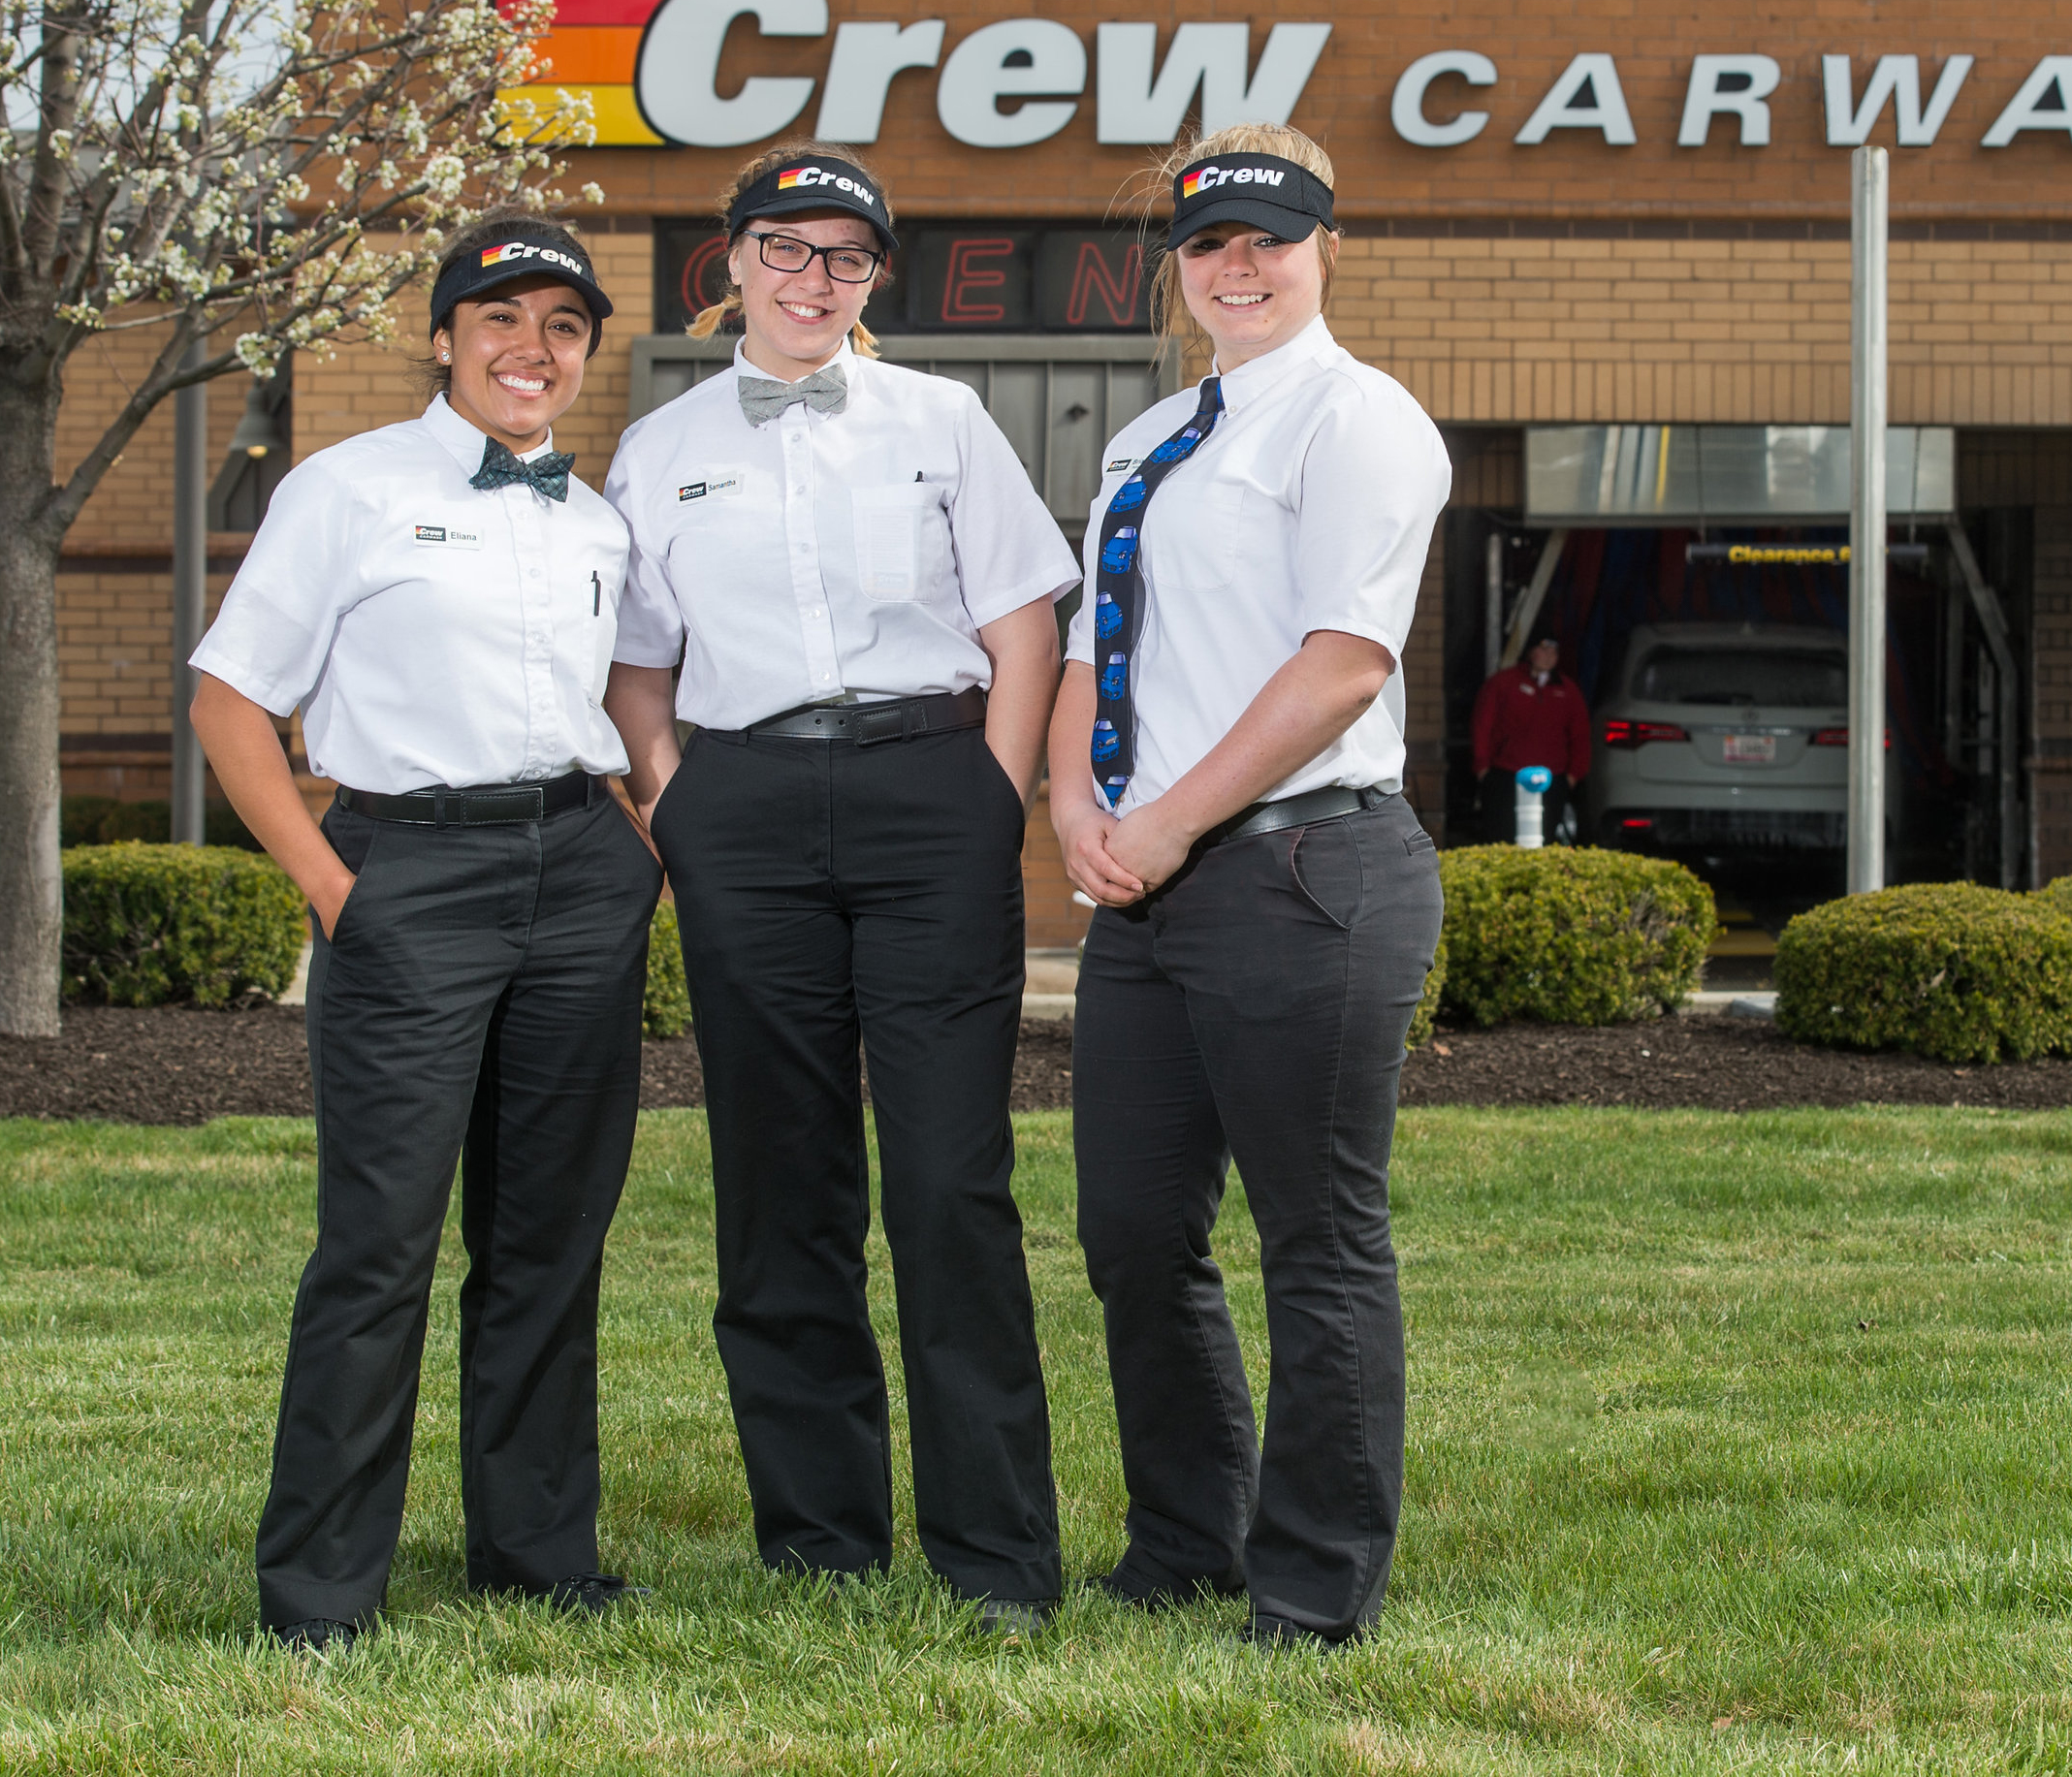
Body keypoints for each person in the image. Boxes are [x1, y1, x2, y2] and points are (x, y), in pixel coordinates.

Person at [601, 142, 1075, 1629]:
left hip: (927, 787)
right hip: (738, 808)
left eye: (847, 257)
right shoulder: (659, 446)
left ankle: (993, 1555)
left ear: (874, 277)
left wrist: (992, 795)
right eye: (787, 250)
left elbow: (1021, 625)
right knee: (779, 1180)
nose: (816, 279)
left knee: (948, 1180)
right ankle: (818, 1538)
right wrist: (683, 811)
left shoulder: (942, 421)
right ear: (730, 263)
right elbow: (639, 671)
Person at [188, 212, 660, 1649]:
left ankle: (536, 1552)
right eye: (503, 320)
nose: (533, 350)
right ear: (444, 335)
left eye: (563, 328)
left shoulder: (597, 521)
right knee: (378, 1243)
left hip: (578, 875)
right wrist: (336, 891)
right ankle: (322, 1589)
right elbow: (229, 703)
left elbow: (622, 708)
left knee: (547, 1241)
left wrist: (633, 849)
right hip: (410, 873)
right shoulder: (345, 489)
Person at [1050, 122, 1451, 1649]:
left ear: (1321, 247)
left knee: (1315, 1234)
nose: (1239, 267)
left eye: (1269, 240)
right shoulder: (1145, 442)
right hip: (1148, 885)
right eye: (1211, 244)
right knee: (1135, 1234)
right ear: (1180, 263)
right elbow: (1104, 644)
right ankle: (1184, 1542)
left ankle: (1310, 1585)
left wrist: (1163, 826)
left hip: (1303, 866)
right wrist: (1080, 806)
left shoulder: (1356, 423)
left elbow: (1340, 667)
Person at [1469, 635, 1590, 842]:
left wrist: (1573, 774)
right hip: (1506, 773)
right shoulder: (1503, 683)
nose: (1549, 656)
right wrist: (1482, 766)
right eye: (1544, 649)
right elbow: (1482, 725)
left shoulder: (1568, 691)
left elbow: (1580, 735)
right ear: (1531, 652)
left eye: (1554, 652)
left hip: (1553, 777)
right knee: (1502, 837)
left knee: (1545, 838)